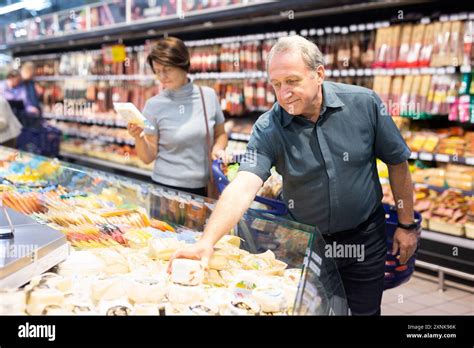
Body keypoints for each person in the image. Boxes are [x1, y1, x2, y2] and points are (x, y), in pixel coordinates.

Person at [169, 36, 418, 316]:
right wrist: (206, 242)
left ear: (319, 74)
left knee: (366, 313)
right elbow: (244, 184)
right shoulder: (269, 127)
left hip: (365, 239)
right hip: (309, 244)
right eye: (276, 84)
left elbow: (397, 162)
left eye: (292, 81)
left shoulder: (364, 104)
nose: (284, 92)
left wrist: (406, 224)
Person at [127, 37, 228, 197]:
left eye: (167, 69)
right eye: (157, 71)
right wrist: (139, 138)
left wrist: (218, 149)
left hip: (203, 187)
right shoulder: (154, 105)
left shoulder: (207, 96)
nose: (162, 77)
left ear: (183, 64)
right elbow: (148, 157)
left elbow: (220, 134)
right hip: (165, 190)